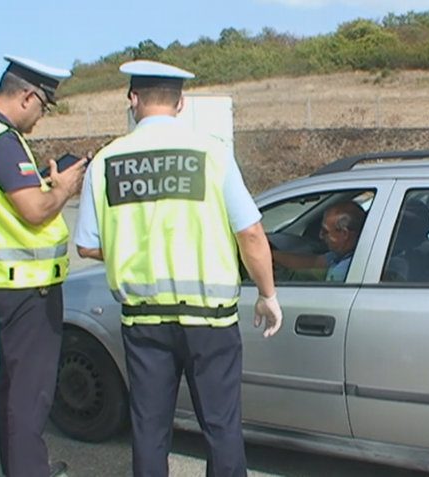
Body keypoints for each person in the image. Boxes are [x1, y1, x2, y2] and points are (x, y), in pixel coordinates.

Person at [72, 59, 283, 477]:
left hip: (143, 319)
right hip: (210, 321)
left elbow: (86, 246)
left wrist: (136, 253)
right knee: (221, 426)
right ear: (181, 103)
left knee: (149, 429)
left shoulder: (106, 162)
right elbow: (252, 235)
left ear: (133, 100)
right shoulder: (212, 154)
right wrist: (267, 294)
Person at [0, 55, 87, 477]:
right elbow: (34, 210)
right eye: (43, 107)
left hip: (1, 281)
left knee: (11, 382)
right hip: (29, 285)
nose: (40, 119)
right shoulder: (2, 140)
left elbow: (1, 203)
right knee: (31, 391)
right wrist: (62, 189)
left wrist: (43, 185)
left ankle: (20, 467)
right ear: (26, 96)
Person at [271, 201, 366, 282]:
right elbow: (314, 262)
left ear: (345, 234)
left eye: (325, 231)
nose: (320, 235)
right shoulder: (342, 253)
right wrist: (269, 254)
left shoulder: (344, 270)